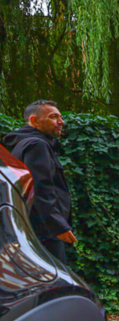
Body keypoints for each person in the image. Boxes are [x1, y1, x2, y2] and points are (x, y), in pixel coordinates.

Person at [3, 101, 75, 264]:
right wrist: (58, 225)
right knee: (57, 282)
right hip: (44, 229)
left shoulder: (23, 144)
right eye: (53, 117)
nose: (61, 122)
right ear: (34, 120)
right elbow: (40, 187)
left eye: (60, 117)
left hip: (32, 226)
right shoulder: (37, 145)